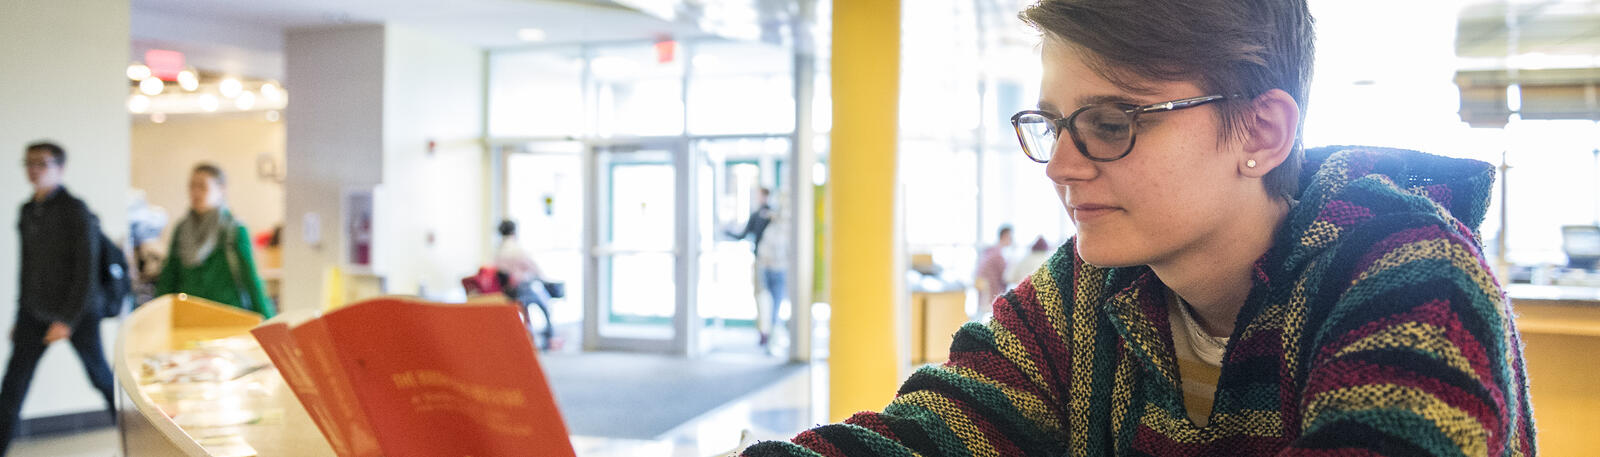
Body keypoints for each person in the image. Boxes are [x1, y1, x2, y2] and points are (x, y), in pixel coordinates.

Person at [743, 0, 1535, 455]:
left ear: (1260, 133)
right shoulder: (1087, 292)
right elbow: (921, 439)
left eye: (1112, 121)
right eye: (1053, 123)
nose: (1060, 165)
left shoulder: (1411, 280)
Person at [2, 142, 116, 455]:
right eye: (29, 163)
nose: (34, 169)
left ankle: (136, 440)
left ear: (60, 168)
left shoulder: (75, 210)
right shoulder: (27, 211)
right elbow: (26, 269)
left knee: (101, 379)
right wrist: (19, 315)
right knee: (12, 387)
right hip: (33, 312)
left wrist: (67, 320)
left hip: (78, 312)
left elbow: (86, 271)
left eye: (42, 163)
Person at [155, 163, 276, 318]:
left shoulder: (234, 229)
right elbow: (169, 275)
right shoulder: (181, 229)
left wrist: (269, 321)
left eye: (202, 187)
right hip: (188, 318)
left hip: (228, 317)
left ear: (221, 190)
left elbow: (251, 279)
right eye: (192, 186)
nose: (195, 192)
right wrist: (157, 313)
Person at [726, 187, 785, 346]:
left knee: (764, 298)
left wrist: (726, 230)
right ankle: (770, 332)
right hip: (773, 264)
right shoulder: (774, 217)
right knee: (772, 299)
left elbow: (742, 235)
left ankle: (767, 332)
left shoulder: (766, 216)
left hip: (765, 263)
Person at [494, 219, 554, 350]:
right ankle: (549, 337)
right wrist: (544, 278)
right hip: (521, 289)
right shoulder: (517, 249)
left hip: (506, 291)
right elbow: (533, 267)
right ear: (515, 231)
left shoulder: (498, 251)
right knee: (545, 303)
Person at [973, 224, 1013, 317]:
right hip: (990, 294)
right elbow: (1006, 277)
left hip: (984, 294)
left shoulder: (991, 251)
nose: (1012, 240)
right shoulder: (998, 255)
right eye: (1010, 237)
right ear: (1005, 236)